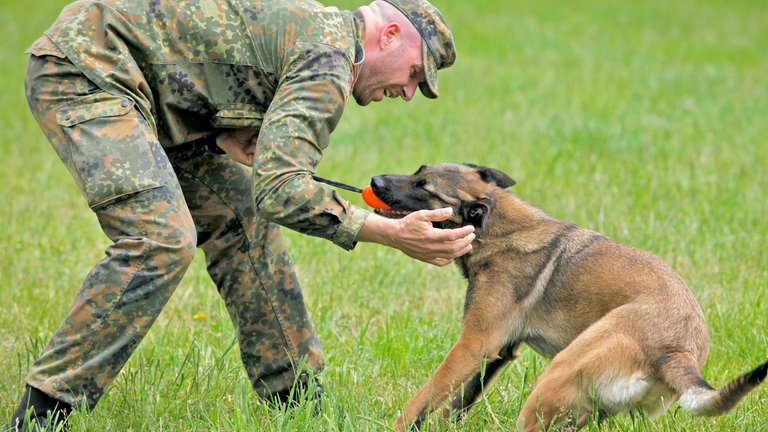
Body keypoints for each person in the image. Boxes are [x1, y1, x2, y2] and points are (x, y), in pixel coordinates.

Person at [9, 0, 474, 429]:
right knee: (161, 240)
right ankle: (42, 413)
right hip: (87, 68)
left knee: (242, 215)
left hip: (136, 85)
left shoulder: (324, 36)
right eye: (415, 73)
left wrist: (216, 132)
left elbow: (201, 50)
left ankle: (298, 404)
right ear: (388, 35)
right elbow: (280, 189)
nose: (410, 92)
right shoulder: (330, 58)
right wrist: (389, 232)